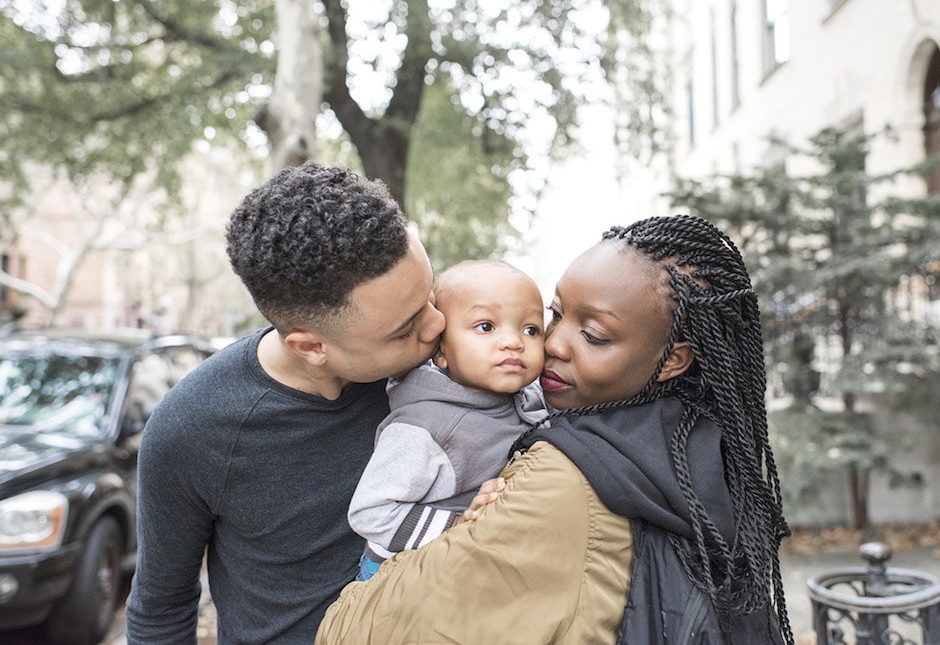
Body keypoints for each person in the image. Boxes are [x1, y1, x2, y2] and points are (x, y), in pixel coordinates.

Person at [316, 214, 793, 644]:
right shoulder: (700, 439)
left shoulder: (562, 478)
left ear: (672, 360)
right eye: (557, 315)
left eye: (594, 335)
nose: (552, 344)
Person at [124, 162, 446, 644]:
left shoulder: (445, 365)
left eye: (430, 296)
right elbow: (160, 608)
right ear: (311, 346)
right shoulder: (190, 432)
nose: (438, 325)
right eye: (405, 328)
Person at [348, 260, 548, 580]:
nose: (514, 341)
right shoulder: (426, 428)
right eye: (486, 326)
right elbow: (370, 513)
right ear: (440, 353)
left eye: (531, 329)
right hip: (399, 576)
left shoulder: (528, 396)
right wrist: (456, 525)